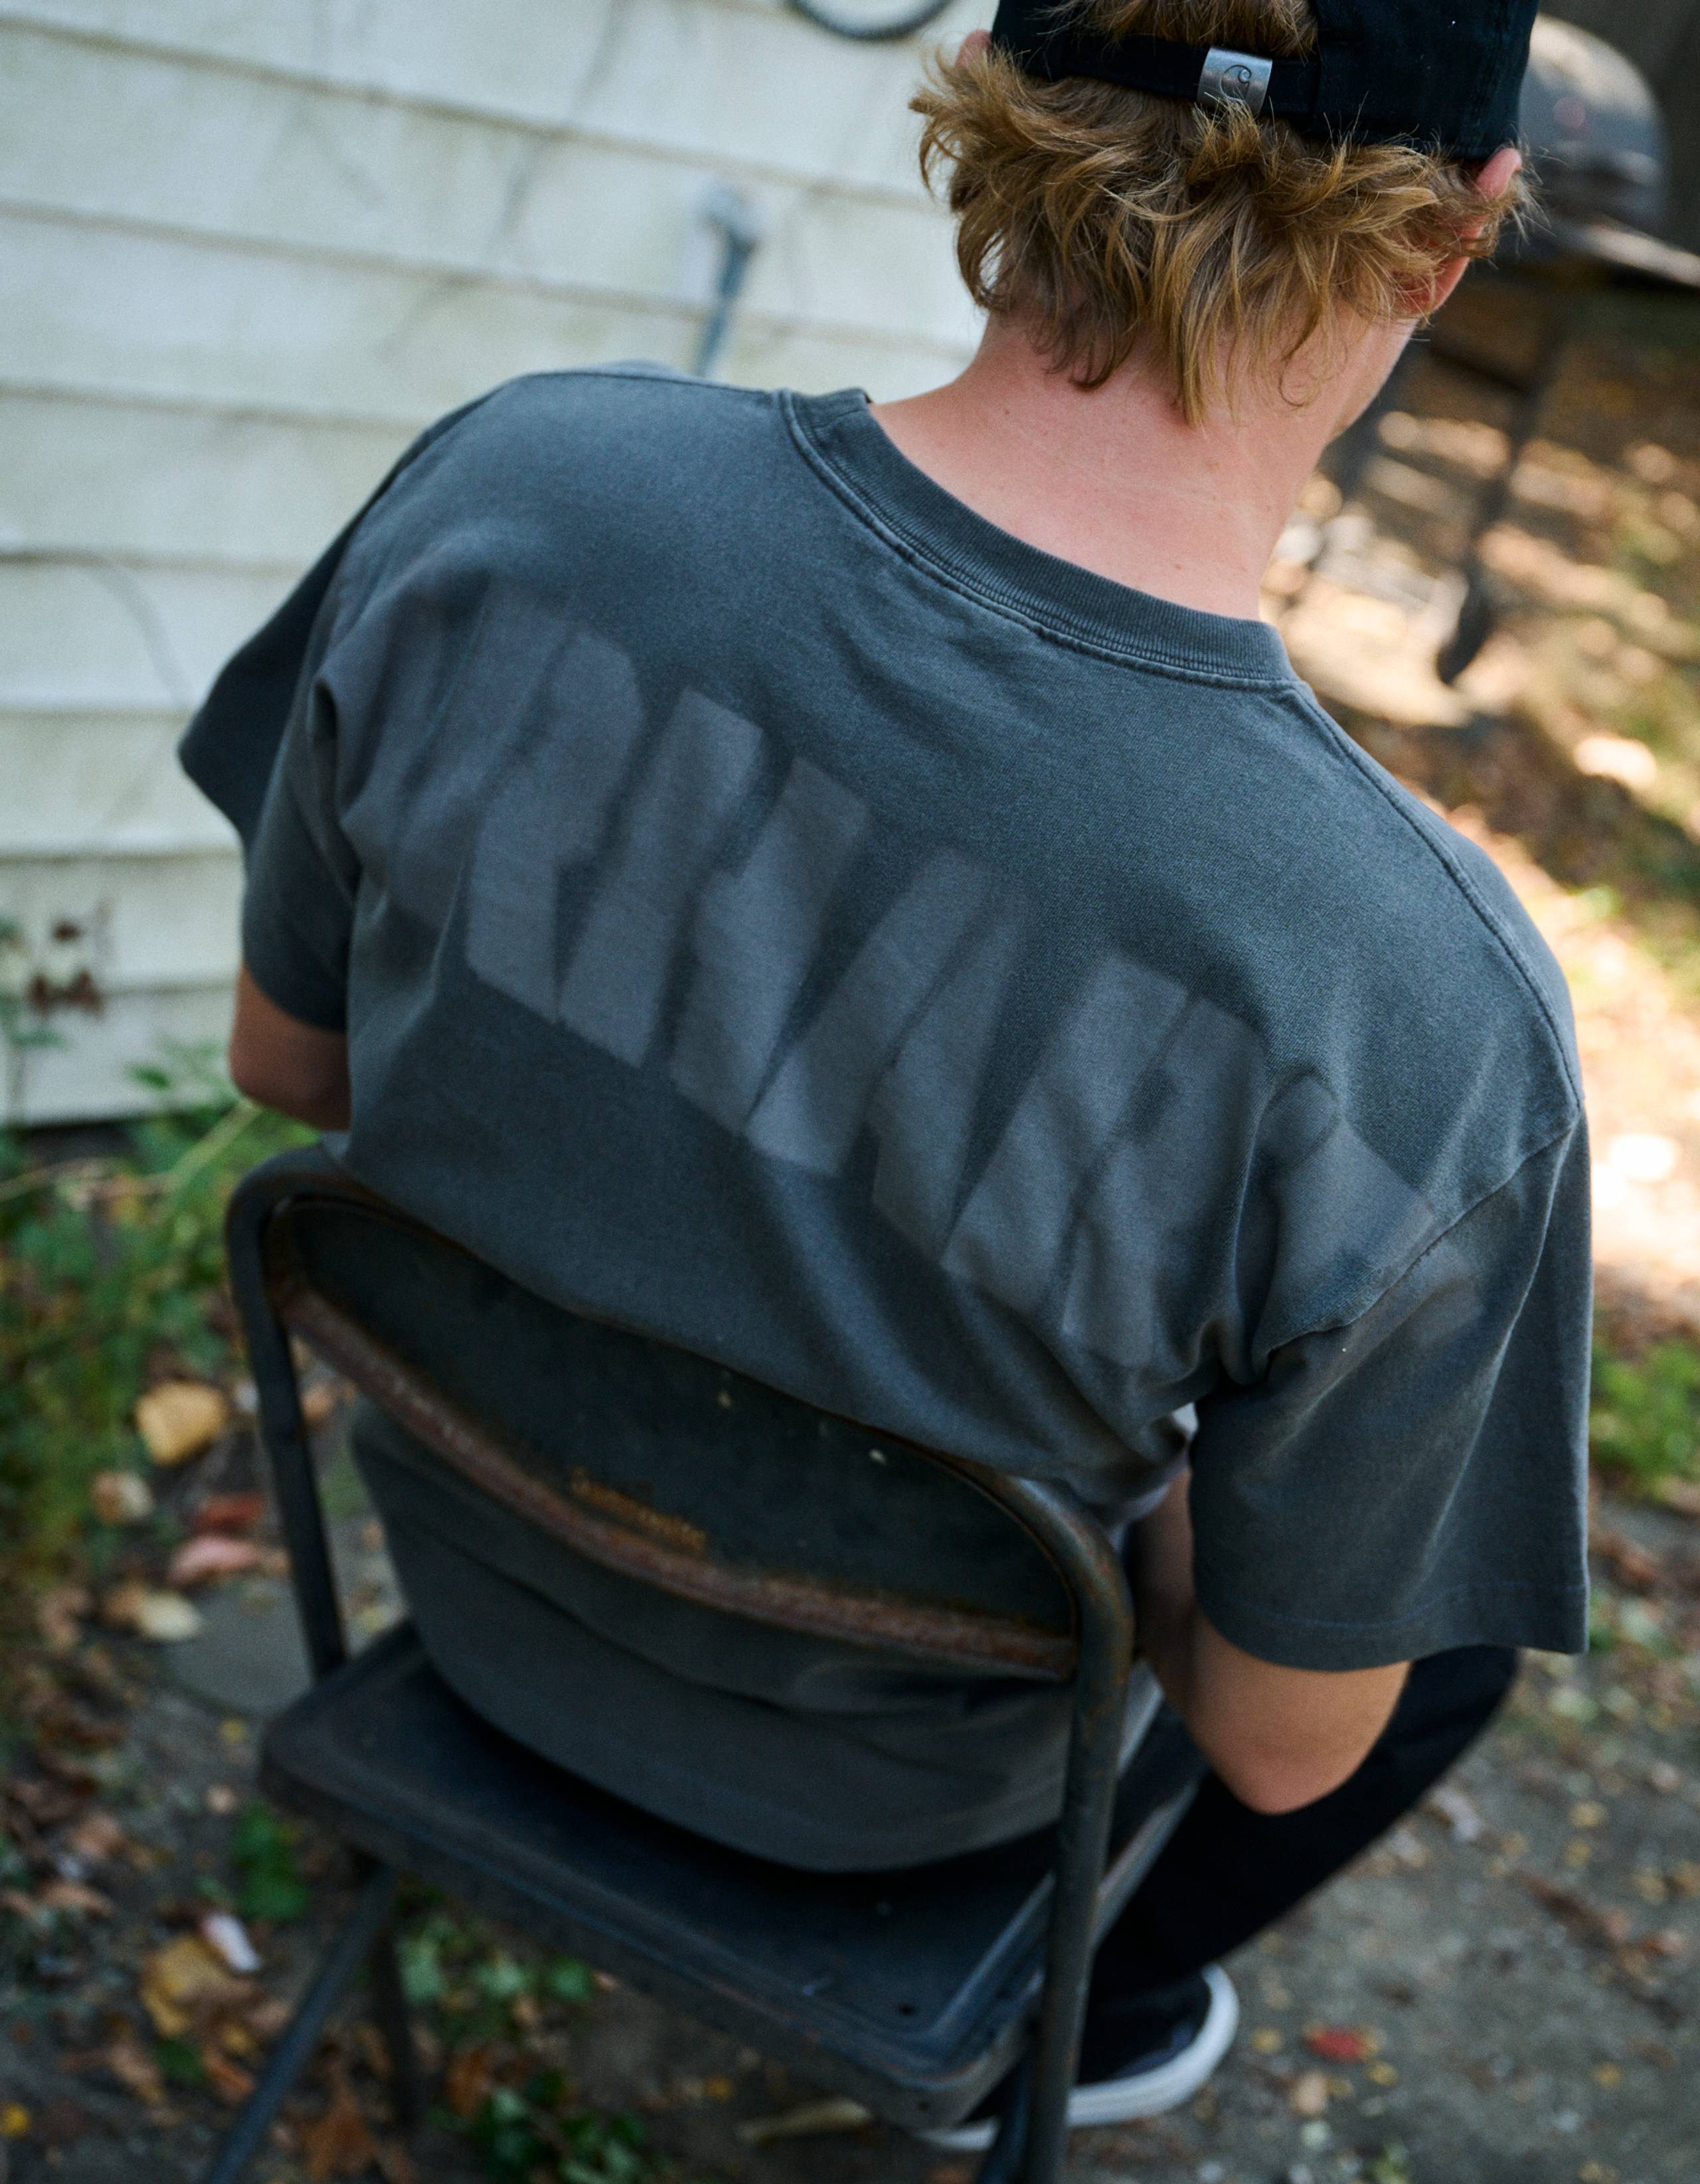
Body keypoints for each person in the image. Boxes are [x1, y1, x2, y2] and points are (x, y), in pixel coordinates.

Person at [182, 0, 1590, 2141]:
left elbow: (288, 1062)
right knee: (1445, 1593)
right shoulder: (1421, 996)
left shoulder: (511, 487)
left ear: (1001, 93)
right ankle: (1048, 2023)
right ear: (1454, 234)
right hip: (895, 1831)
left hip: (470, 1633)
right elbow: (1289, 1740)